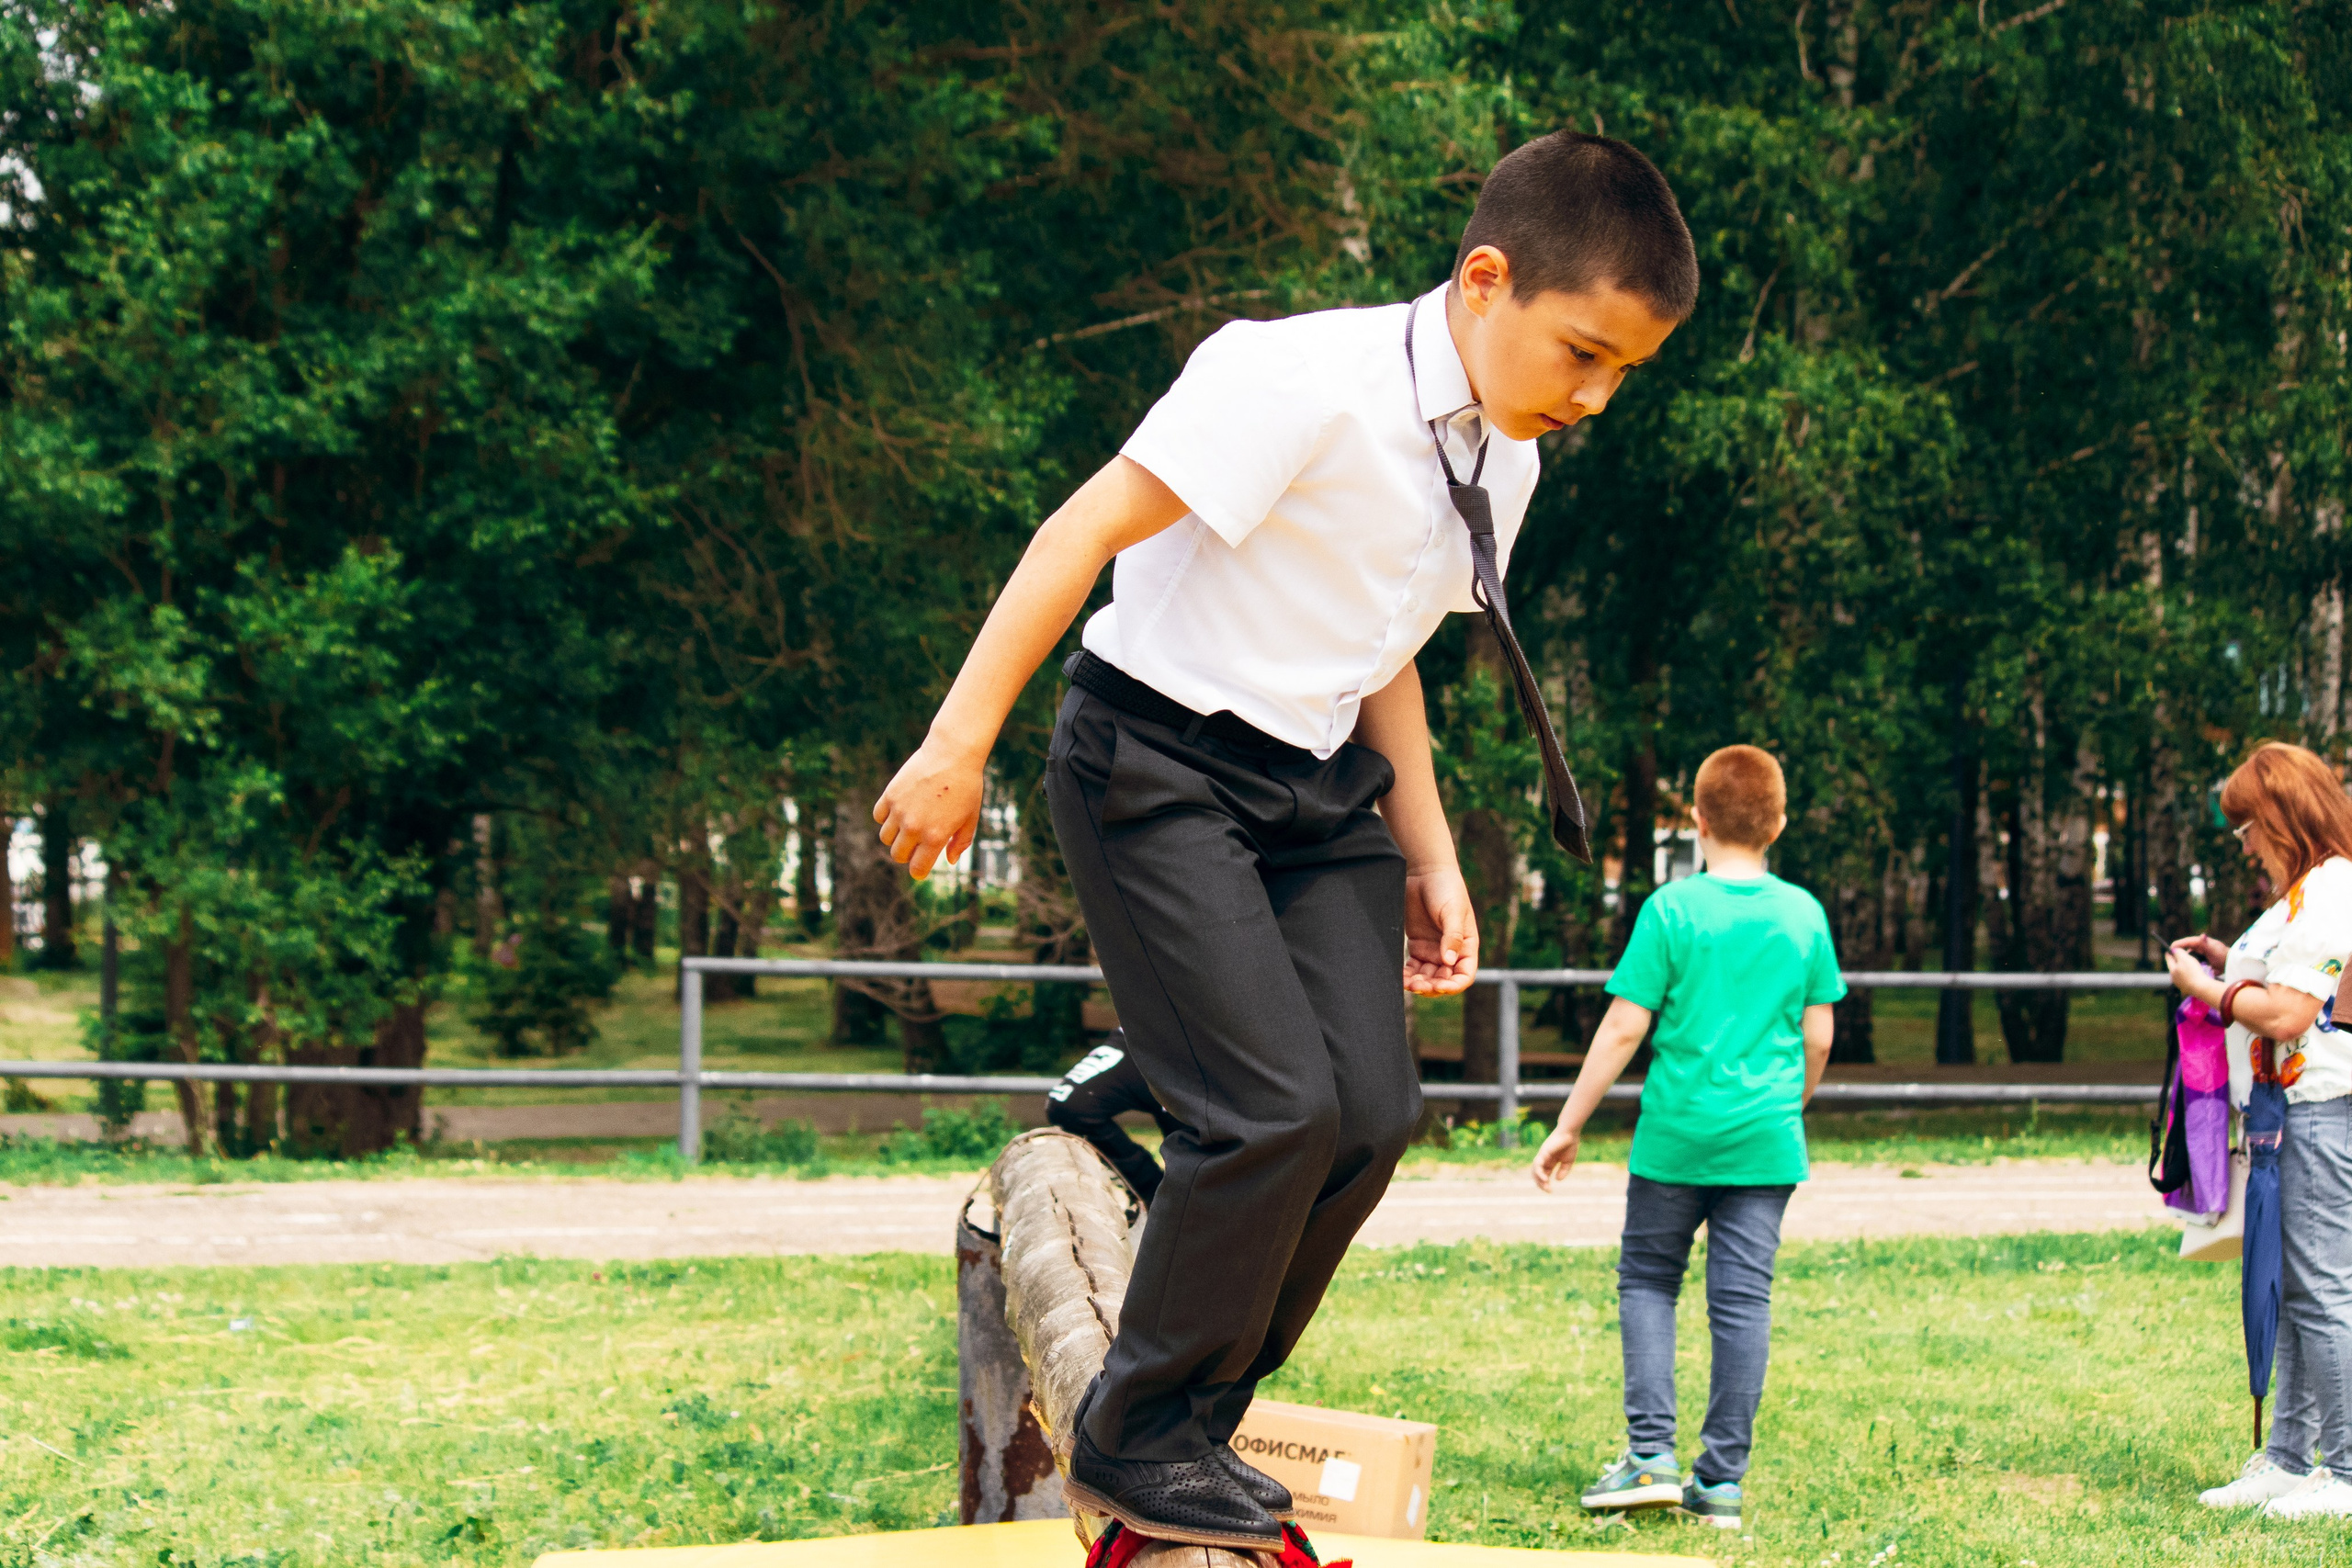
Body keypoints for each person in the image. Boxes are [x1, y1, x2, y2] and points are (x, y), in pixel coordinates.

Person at [872, 130, 1697, 1550]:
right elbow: (1080, 530)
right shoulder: (1294, 379)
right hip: (1157, 760)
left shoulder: (1505, 461)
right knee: (1272, 1111)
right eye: (1581, 353)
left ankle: (1196, 1415)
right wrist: (958, 743)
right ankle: (1131, 1436)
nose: (1597, 395)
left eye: (1623, 369)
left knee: (1366, 1119)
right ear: (1485, 279)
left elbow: (1385, 653)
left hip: (1316, 796)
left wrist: (1431, 855)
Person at [1530, 745, 1840, 1533]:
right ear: (1777, 822)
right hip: (1766, 1144)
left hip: (1674, 1138)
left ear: (1697, 818)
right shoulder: (1803, 914)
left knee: (1648, 1281)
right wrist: (1789, 1103)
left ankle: (1650, 1457)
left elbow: (1625, 1026)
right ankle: (1722, 1483)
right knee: (1742, 1303)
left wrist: (1569, 1124)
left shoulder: (1671, 912)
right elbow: (1819, 1035)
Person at [2172, 741, 2352, 1519]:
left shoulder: (2332, 889)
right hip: (2284, 1116)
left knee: (2320, 1289)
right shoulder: (2301, 894)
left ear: (2281, 817)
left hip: (2315, 1111)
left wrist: (2208, 989)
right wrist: (2227, 960)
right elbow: (2274, 978)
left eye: (2247, 824)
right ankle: (2287, 1456)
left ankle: (2344, 1469)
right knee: (2286, 1282)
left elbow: (2285, 1012)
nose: (2240, 840)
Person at [1048, 1029, 1179, 1202]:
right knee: (1069, 1103)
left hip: (1201, 1047)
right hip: (1144, 1033)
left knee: (1196, 1154)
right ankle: (1156, 1196)